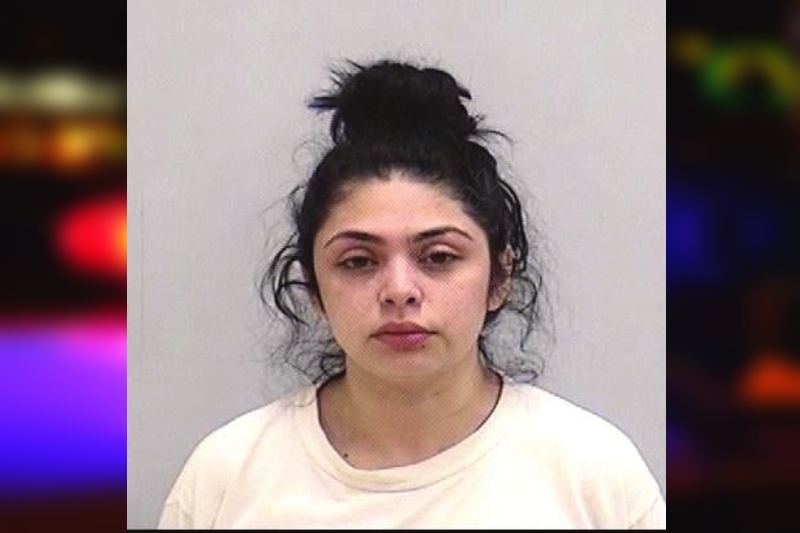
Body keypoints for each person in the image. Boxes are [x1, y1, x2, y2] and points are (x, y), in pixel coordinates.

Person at [157, 59, 666, 529]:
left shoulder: (595, 476)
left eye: (439, 257)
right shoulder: (226, 478)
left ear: (499, 278)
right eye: (359, 262)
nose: (399, 291)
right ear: (312, 287)